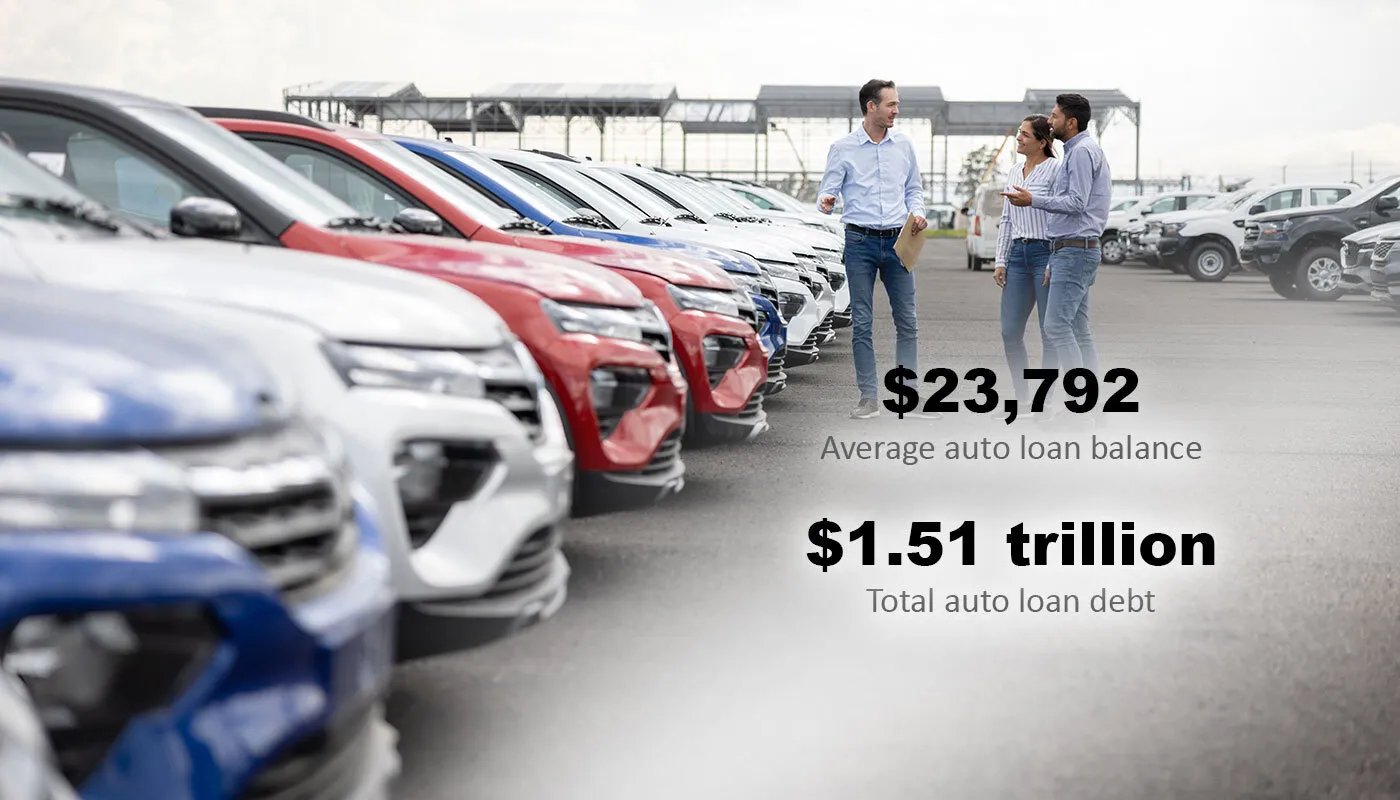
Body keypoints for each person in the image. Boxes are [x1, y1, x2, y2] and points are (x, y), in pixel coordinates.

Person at [817, 79, 931, 420]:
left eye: (897, 104)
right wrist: (826, 201)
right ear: (871, 106)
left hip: (899, 242)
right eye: (891, 104)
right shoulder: (843, 148)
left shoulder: (904, 146)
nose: (897, 110)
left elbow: (914, 189)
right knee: (862, 323)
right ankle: (868, 398)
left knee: (907, 322)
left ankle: (907, 397)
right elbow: (827, 192)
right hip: (860, 243)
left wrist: (920, 213)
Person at [1002, 93, 1112, 380]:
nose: (1050, 122)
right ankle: (1090, 404)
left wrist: (1033, 200)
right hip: (1071, 249)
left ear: (1071, 122)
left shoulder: (1081, 153)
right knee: (1077, 329)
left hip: (1075, 250)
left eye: (1054, 116)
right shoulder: (1079, 151)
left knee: (1056, 327)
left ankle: (1082, 404)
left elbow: (1077, 202)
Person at [993, 115, 1061, 406]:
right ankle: (1021, 400)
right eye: (1019, 133)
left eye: (1024, 134)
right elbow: (1007, 219)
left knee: (1050, 334)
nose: (1018, 138)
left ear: (1042, 141)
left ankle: (1043, 403)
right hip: (1017, 257)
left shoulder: (1056, 170)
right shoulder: (1013, 172)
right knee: (1010, 332)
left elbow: (1061, 216)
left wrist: (1053, 261)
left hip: (1046, 252)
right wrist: (1001, 260)